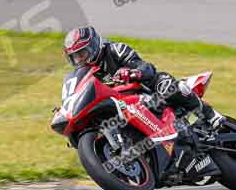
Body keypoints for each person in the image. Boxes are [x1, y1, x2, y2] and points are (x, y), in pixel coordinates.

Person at [63, 26, 224, 131]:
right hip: (123, 104)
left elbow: (146, 68)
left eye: (82, 53)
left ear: (93, 45)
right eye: (75, 57)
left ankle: (210, 114)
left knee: (169, 87)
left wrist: (133, 73)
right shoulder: (87, 73)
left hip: (147, 89)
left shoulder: (115, 49)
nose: (80, 60)